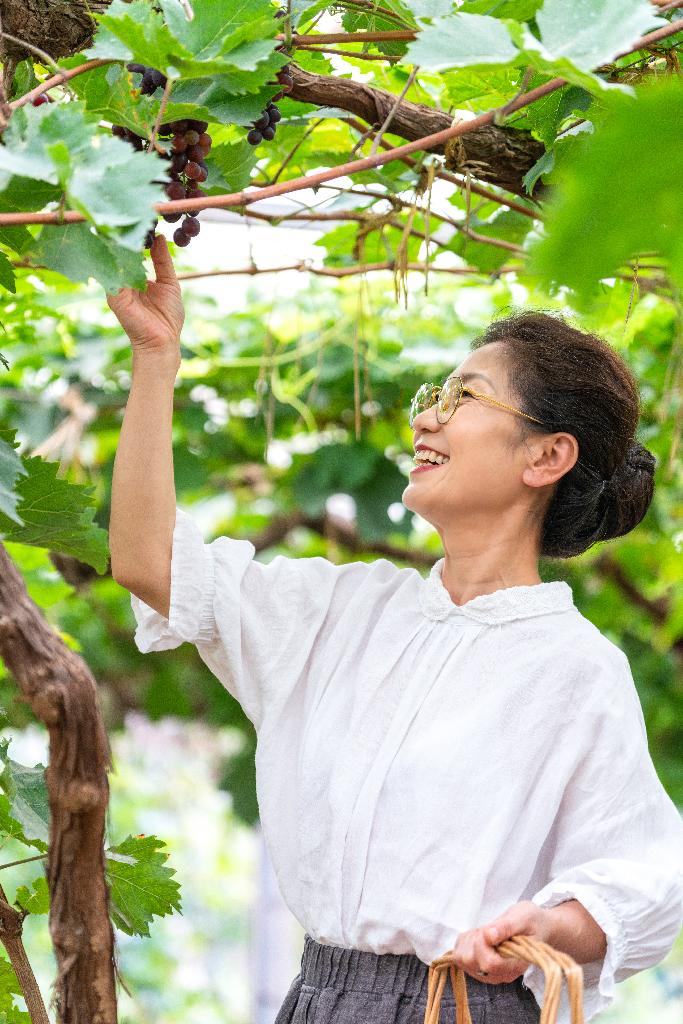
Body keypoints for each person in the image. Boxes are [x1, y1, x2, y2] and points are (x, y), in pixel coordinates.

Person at [107, 235, 683, 1024]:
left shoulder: (573, 667)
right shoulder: (334, 612)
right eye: (432, 395)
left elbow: (645, 875)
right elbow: (149, 563)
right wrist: (154, 358)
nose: (425, 418)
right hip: (314, 997)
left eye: (463, 399)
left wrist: (549, 925)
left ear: (546, 456)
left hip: (461, 1005)